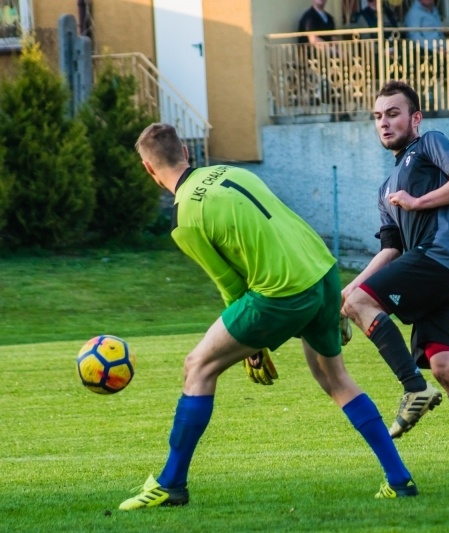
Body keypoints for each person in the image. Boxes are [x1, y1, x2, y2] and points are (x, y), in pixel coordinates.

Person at [119, 123, 419, 510]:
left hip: (281, 293)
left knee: (198, 367)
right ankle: (399, 479)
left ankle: (171, 483)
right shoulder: (234, 172)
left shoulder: (186, 219)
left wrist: (253, 346)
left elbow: (230, 285)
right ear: (187, 153)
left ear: (148, 169)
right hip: (323, 276)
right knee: (336, 379)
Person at [341, 80, 449, 487]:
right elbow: (389, 250)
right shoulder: (385, 188)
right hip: (436, 271)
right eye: (378, 117)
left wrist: (418, 201)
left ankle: (412, 389)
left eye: (393, 114)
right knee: (447, 366)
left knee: (363, 305)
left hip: (438, 257)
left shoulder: (429, 144)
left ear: (415, 118)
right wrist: (346, 292)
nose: (384, 123)